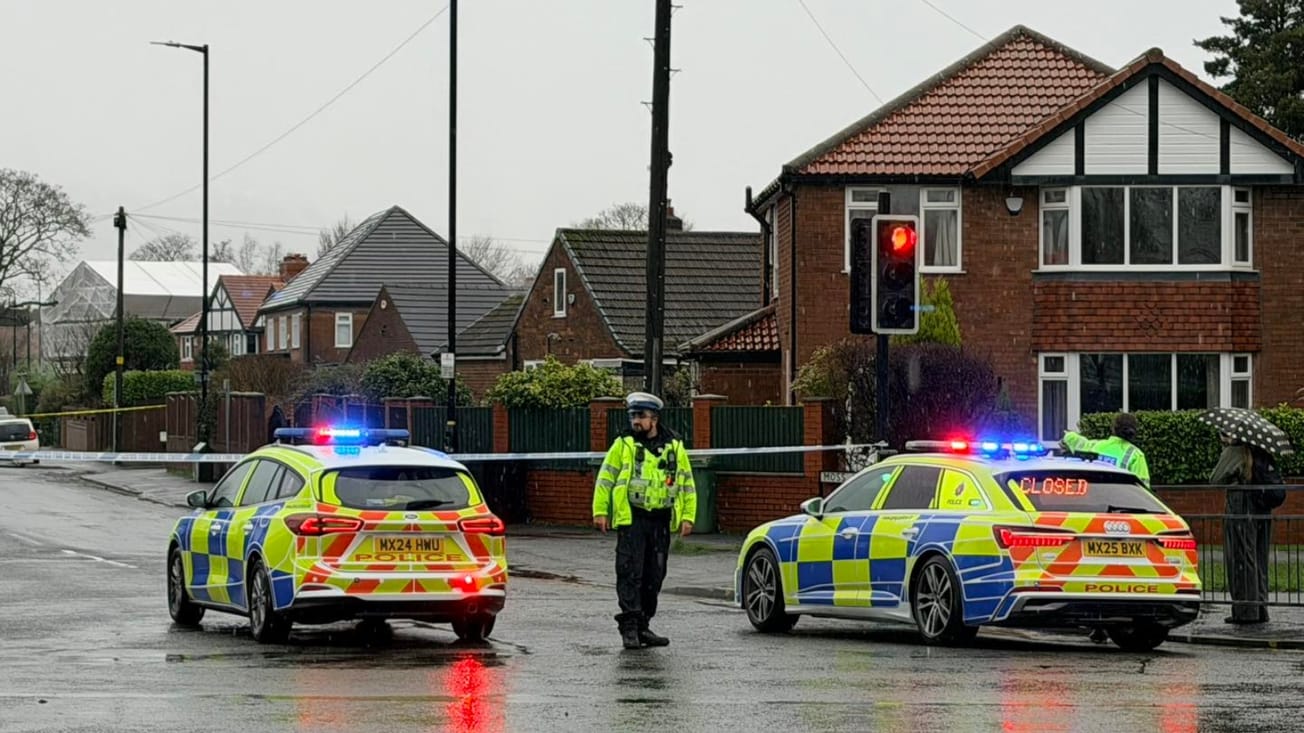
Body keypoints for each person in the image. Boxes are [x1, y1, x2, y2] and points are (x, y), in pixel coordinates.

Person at [593, 391, 697, 650]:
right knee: (630, 572)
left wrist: (688, 516)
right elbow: (605, 478)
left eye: (641, 416)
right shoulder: (623, 445)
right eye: (633, 416)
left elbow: (687, 483)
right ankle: (629, 627)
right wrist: (600, 511)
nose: (635, 421)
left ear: (655, 419)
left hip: (661, 520)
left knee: (655, 575)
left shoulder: (674, 446)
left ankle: (643, 625)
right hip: (632, 519)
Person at [1212, 431, 1285, 625]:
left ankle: (1246, 612)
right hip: (1262, 508)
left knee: (1242, 559)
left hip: (1241, 508)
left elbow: (1215, 478)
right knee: (1259, 558)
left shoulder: (1235, 451)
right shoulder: (1260, 449)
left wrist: (1227, 451)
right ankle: (1261, 609)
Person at [1062, 412, 1151, 489]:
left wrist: (1068, 435)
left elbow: (1078, 442)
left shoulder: (1095, 445)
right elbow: (1143, 490)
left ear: (1113, 428)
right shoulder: (1136, 455)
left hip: (1094, 495)